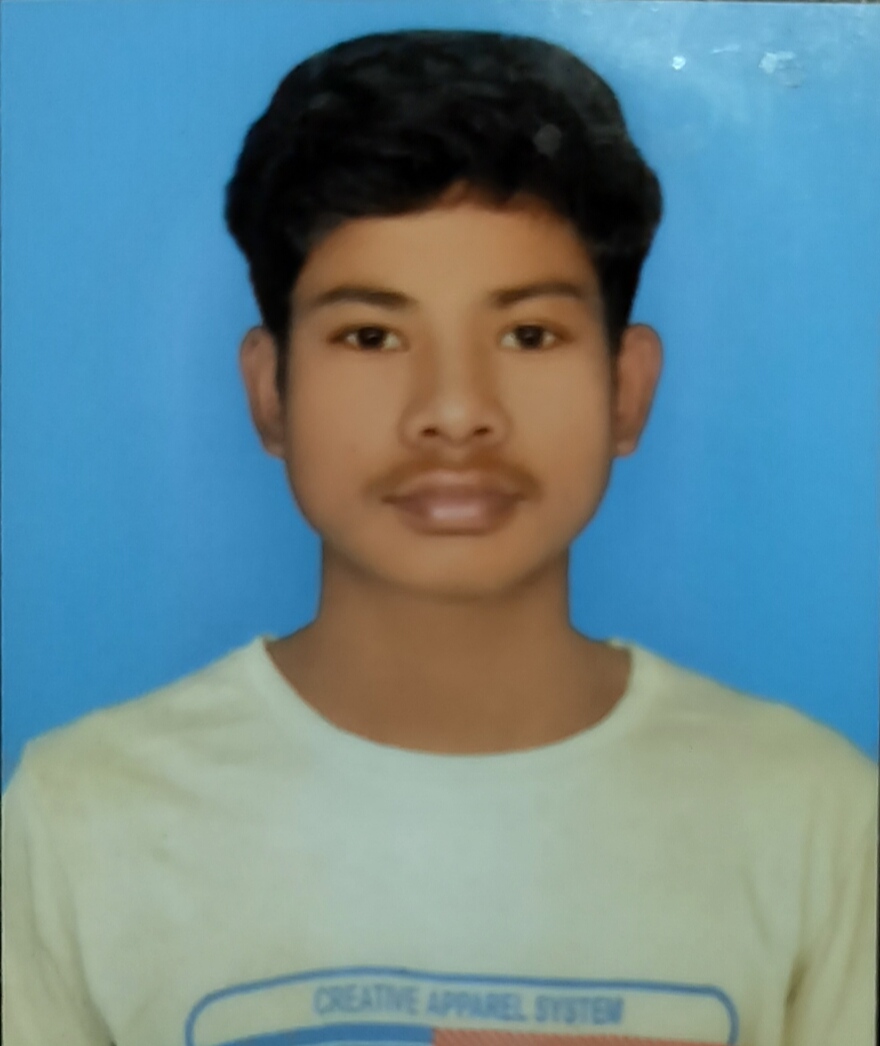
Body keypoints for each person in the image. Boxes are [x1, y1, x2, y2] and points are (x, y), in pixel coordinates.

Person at [2, 28, 876, 1046]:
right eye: (371, 335)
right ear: (270, 391)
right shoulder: (82, 813)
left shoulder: (811, 813)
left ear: (626, 388)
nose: (456, 412)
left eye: (528, 334)